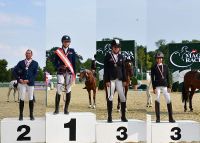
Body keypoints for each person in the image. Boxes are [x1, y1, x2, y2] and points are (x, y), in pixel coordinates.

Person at [104, 39, 128, 123]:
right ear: (112, 47)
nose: (116, 48)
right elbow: (106, 69)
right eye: (115, 47)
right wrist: (106, 80)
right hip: (111, 80)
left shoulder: (121, 57)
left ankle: (123, 116)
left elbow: (123, 69)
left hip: (120, 80)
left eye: (118, 47)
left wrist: (125, 80)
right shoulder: (108, 56)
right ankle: (109, 117)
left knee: (123, 97)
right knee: (110, 97)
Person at [13, 49, 38, 121]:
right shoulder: (20, 63)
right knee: (22, 98)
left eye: (29, 53)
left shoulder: (35, 63)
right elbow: (14, 71)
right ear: (25, 54)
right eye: (26, 53)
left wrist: (29, 80)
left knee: (31, 98)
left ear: (31, 54)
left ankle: (31, 115)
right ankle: (21, 115)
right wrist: (18, 79)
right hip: (22, 83)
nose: (28, 54)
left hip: (30, 83)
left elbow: (35, 74)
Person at [53, 35, 76, 115]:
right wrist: (60, 66)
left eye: (68, 42)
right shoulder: (58, 51)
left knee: (68, 89)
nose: (67, 43)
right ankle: (56, 109)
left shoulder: (72, 51)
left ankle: (66, 109)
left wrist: (74, 75)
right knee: (59, 87)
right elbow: (55, 63)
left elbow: (74, 63)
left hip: (69, 72)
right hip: (61, 72)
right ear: (62, 42)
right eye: (65, 41)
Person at [151, 51, 175, 123]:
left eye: (160, 58)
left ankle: (171, 118)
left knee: (168, 99)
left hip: (165, 85)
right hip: (157, 85)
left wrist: (169, 86)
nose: (159, 59)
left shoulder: (165, 66)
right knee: (157, 99)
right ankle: (158, 118)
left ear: (162, 59)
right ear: (156, 59)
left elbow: (168, 76)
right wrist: (154, 88)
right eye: (158, 58)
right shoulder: (154, 67)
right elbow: (152, 78)